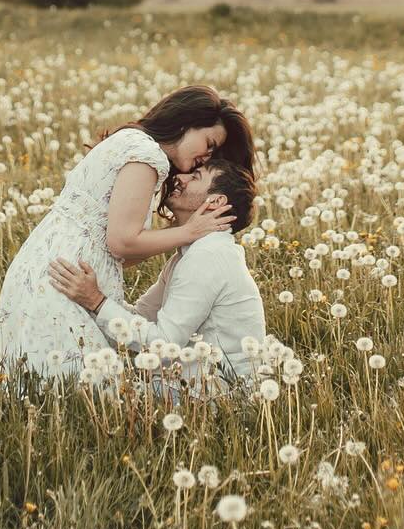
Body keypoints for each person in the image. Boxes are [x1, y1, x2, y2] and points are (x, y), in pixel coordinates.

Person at [0, 84, 256, 380]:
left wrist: (98, 300)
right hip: (64, 277)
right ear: (187, 123)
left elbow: (120, 255)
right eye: (208, 144)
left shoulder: (134, 145)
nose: (207, 156)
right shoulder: (146, 154)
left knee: (46, 389)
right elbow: (122, 243)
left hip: (52, 268)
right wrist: (189, 231)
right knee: (70, 393)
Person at [48, 157, 268, 392]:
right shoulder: (191, 254)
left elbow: (163, 344)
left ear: (215, 201)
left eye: (195, 177)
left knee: (82, 395)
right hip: (192, 388)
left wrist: (95, 301)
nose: (180, 178)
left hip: (213, 398)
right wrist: (91, 299)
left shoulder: (208, 256)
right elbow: (143, 316)